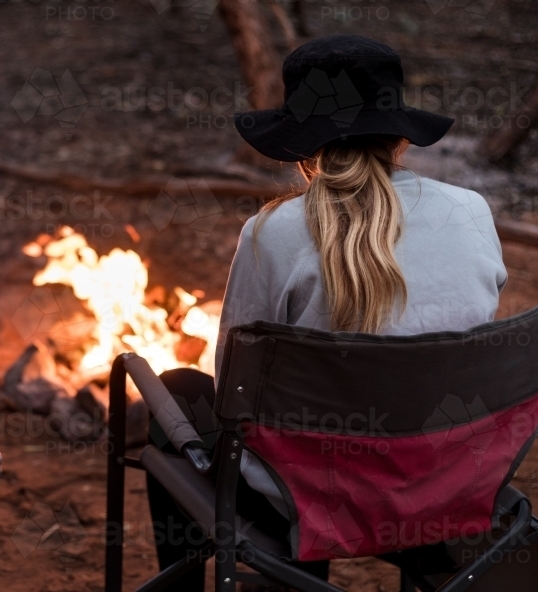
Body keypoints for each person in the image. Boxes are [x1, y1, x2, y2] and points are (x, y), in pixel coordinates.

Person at [145, 34, 507, 590]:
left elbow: (232, 391)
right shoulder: (472, 212)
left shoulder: (273, 232)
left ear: (302, 144)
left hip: (310, 504)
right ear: (401, 136)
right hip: (444, 487)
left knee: (175, 389)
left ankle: (287, 577)